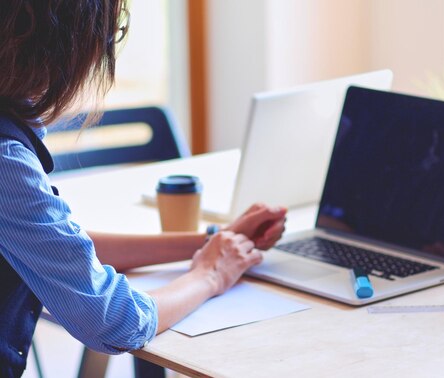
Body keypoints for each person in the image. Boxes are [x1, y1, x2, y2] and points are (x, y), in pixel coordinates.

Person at [0, 1, 287, 376]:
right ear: (60, 44)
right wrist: (209, 276)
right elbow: (112, 321)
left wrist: (212, 242)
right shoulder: (6, 158)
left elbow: (58, 249)